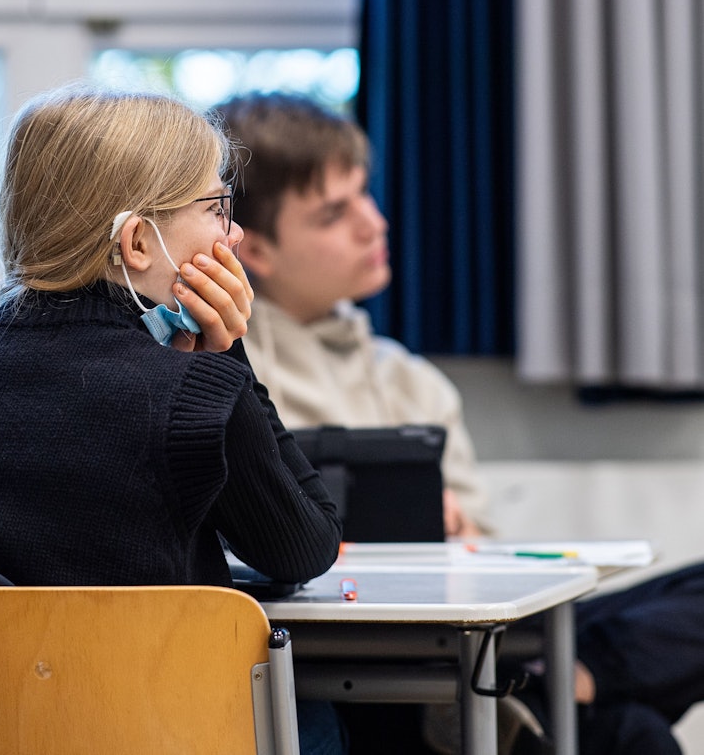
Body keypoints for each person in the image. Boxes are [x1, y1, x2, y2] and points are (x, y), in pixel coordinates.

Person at [0, 83, 347, 754]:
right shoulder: (194, 396)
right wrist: (230, 358)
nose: (234, 234)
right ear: (137, 242)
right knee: (323, 715)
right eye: (215, 207)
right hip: (152, 737)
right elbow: (304, 549)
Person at [214, 91, 698, 755]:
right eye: (333, 214)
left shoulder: (410, 380)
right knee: (633, 735)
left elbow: (486, 562)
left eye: (364, 196)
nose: (373, 224)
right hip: (363, 664)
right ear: (256, 250)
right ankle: (551, 683)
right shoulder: (226, 378)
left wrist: (459, 534)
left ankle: (563, 677)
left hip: (471, 641)